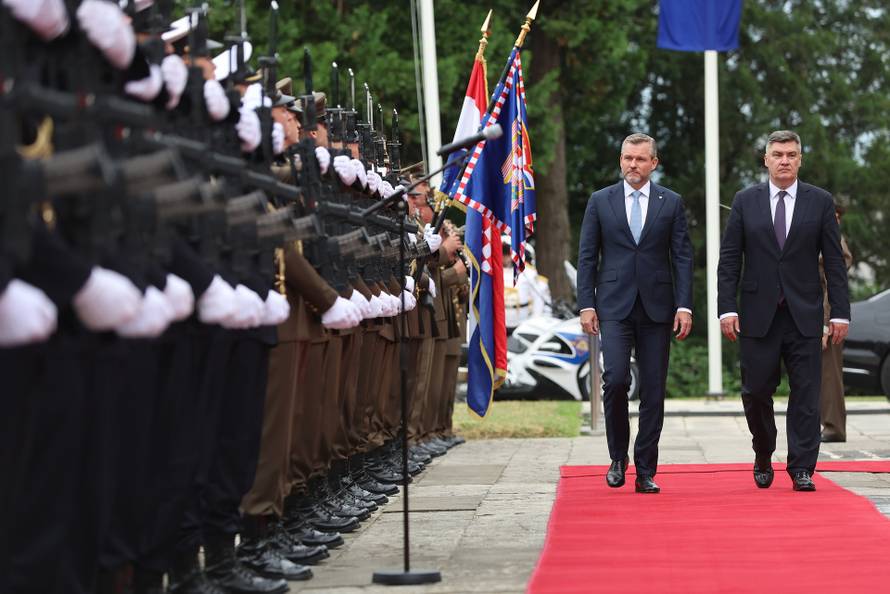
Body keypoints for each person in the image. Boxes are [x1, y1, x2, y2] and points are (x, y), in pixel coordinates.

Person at [717, 130, 850, 492]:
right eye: (778, 154)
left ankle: (802, 467)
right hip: (758, 314)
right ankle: (764, 451)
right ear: (766, 159)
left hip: (804, 313)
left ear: (800, 159)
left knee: (806, 393)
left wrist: (839, 312)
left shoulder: (819, 202)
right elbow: (730, 260)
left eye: (791, 154)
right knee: (755, 390)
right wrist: (725, 308)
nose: (785, 160)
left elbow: (834, 262)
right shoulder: (746, 201)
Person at [577, 133, 694, 494]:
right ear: (620, 160)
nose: (633, 165)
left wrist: (684, 305)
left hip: (658, 308)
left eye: (641, 159)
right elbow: (586, 256)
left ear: (653, 164)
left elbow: (683, 257)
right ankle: (617, 458)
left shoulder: (670, 203)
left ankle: (646, 468)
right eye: (628, 158)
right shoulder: (600, 201)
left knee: (654, 390)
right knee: (614, 380)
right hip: (613, 306)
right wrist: (586, 303)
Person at [820, 203, 854, 442]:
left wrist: (825, 323)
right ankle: (826, 424)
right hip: (819, 317)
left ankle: (833, 427)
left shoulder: (835, 244)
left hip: (828, 319)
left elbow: (832, 287)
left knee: (830, 374)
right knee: (822, 374)